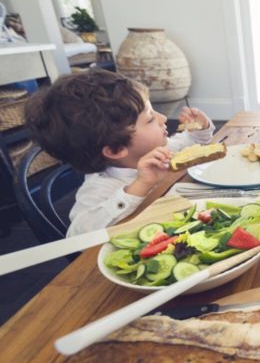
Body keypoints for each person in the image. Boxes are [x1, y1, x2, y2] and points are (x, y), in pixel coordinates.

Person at [25, 68, 215, 238]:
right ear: (116, 149)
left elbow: (192, 143)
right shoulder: (100, 188)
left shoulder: (159, 150)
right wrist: (140, 186)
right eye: (149, 119)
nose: (163, 118)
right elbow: (79, 235)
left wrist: (200, 128)